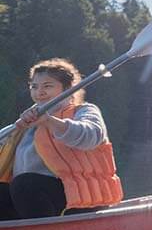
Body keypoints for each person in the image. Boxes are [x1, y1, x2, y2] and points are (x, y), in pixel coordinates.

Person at [0, 58, 123, 220]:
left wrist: (49, 121)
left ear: (68, 89)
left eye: (47, 86)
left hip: (77, 200)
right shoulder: (25, 124)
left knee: (24, 184)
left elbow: (92, 136)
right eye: (34, 86)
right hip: (34, 201)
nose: (39, 92)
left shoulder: (84, 111)